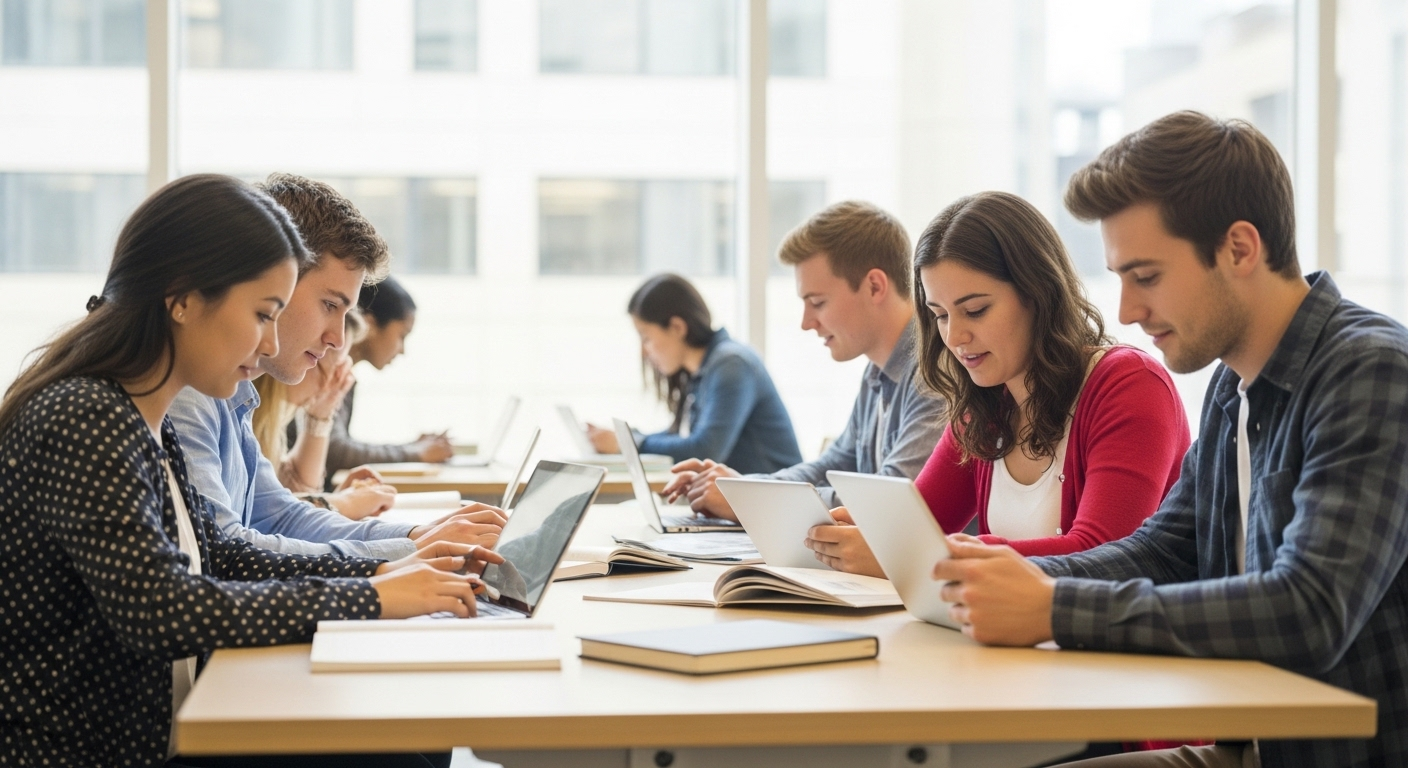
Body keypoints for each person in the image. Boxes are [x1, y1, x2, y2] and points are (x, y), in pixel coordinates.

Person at [931, 112, 1408, 767]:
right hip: (1246, 748)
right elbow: (1166, 550)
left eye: (1146, 276)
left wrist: (1055, 606)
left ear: (1240, 249)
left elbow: (1309, 609)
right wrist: (1019, 579)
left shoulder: (1369, 370)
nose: (1125, 309)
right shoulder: (1231, 383)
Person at [0, 174, 501, 768]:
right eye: (265, 314)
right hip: (99, 754)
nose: (268, 347)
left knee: (413, 733)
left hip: (164, 730)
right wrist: (369, 596)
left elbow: (223, 554)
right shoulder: (86, 416)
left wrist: (392, 573)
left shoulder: (142, 418)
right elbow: (163, 610)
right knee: (401, 746)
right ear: (182, 299)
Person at [806, 192, 1191, 578]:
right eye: (939, 315)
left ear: (1038, 294)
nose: (955, 336)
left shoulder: (1130, 385)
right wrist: (863, 537)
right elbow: (916, 529)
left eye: (975, 310)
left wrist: (921, 554)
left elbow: (1101, 557)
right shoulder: (984, 409)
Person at [169, 173, 502, 560]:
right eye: (330, 305)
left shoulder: (233, 395)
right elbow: (227, 554)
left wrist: (420, 535)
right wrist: (397, 561)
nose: (339, 340)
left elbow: (280, 517)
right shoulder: (189, 394)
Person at [661, 201, 948, 519]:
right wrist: (743, 490)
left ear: (875, 286)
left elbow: (885, 499)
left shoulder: (935, 373)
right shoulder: (877, 372)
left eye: (817, 302)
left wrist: (750, 500)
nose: (806, 322)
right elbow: (834, 464)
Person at [586, 273, 803, 474]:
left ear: (677, 327)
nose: (644, 352)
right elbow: (684, 438)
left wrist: (627, 444)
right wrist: (627, 439)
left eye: (646, 338)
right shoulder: (706, 369)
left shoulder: (732, 365)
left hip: (771, 507)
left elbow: (704, 449)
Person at [253, 309, 399, 519]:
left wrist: (320, 414)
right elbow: (269, 514)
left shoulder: (272, 422)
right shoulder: (245, 415)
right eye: (327, 365)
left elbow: (296, 490)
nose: (331, 383)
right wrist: (340, 502)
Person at [307, 275, 454, 478]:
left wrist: (413, 447)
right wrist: (415, 452)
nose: (402, 350)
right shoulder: (320, 369)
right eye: (402, 335)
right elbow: (334, 451)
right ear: (369, 325)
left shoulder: (343, 374)